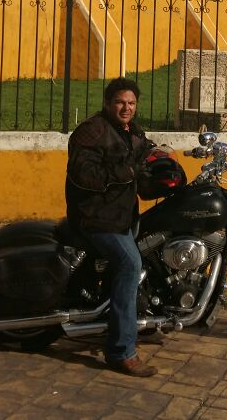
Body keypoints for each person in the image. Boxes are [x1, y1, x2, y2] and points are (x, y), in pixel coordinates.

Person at [65, 77, 157, 377]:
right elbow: (84, 174)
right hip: (96, 217)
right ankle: (121, 351)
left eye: (131, 103)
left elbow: (146, 152)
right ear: (108, 103)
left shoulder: (129, 131)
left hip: (120, 216)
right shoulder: (92, 131)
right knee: (130, 264)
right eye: (120, 102)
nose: (126, 107)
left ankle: (137, 321)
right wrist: (126, 171)